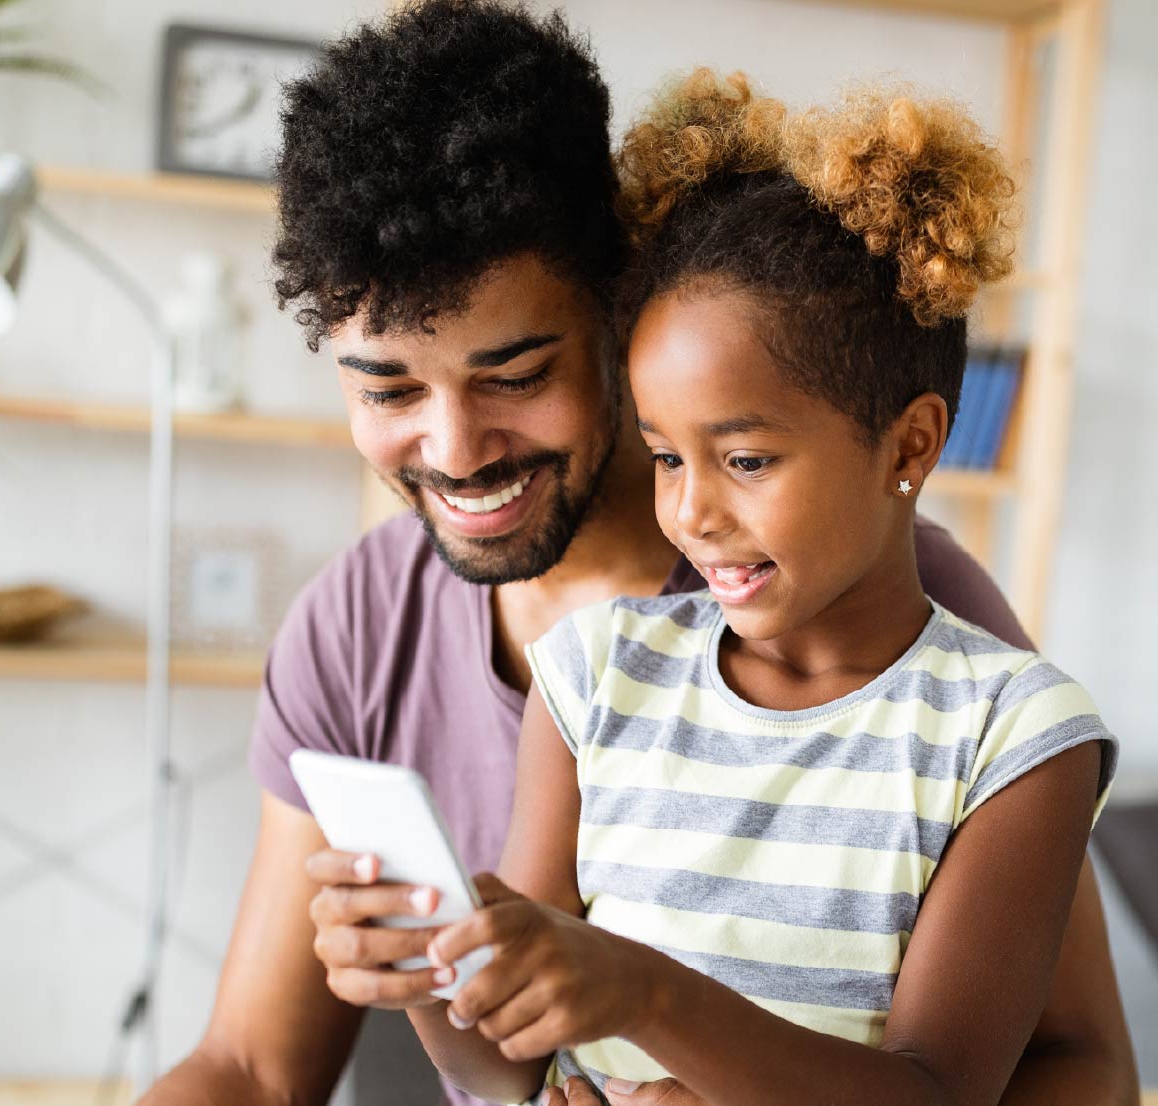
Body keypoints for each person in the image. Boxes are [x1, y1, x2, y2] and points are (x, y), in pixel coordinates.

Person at [138, 3, 1138, 1105]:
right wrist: (429, 965)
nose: (457, 449)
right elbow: (260, 1065)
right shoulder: (417, 633)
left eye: (515, 376)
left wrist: (649, 1000)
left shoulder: (923, 638)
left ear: (617, 317)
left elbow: (1058, 1065)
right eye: (389, 388)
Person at [402, 72, 1123, 1106]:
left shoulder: (1009, 736)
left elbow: (936, 1090)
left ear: (909, 444)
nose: (692, 512)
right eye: (664, 456)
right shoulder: (596, 675)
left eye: (744, 460)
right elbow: (502, 1066)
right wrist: (433, 966)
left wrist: (651, 998)